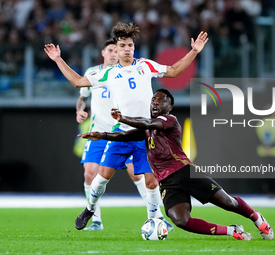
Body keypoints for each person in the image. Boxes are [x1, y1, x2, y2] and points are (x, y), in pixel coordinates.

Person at [43, 22, 206, 231]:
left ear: (133, 47)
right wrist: (58, 59)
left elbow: (174, 71)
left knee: (151, 182)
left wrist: (194, 51)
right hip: (121, 134)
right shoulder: (108, 74)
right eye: (122, 45)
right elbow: (77, 81)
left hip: (146, 135)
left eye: (130, 45)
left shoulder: (145, 66)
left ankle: (153, 221)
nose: (127, 49)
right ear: (116, 49)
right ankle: (90, 209)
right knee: (101, 179)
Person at [78, 89, 274, 240]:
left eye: (161, 100)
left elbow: (147, 123)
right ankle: (231, 231)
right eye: (154, 99)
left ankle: (257, 219)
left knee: (227, 203)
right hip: (167, 181)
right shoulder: (147, 128)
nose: (156, 102)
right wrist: (101, 135)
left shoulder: (169, 120)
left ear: (169, 107)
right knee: (180, 220)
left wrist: (123, 118)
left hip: (184, 172)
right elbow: (124, 135)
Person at [73, 39, 150, 230]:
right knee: (90, 174)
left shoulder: (127, 72)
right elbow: (82, 97)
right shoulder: (93, 73)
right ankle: (96, 220)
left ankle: (155, 216)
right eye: (111, 50)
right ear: (103, 52)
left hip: (122, 132)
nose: (115, 53)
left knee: (137, 174)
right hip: (99, 132)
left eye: (117, 50)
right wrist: (79, 110)